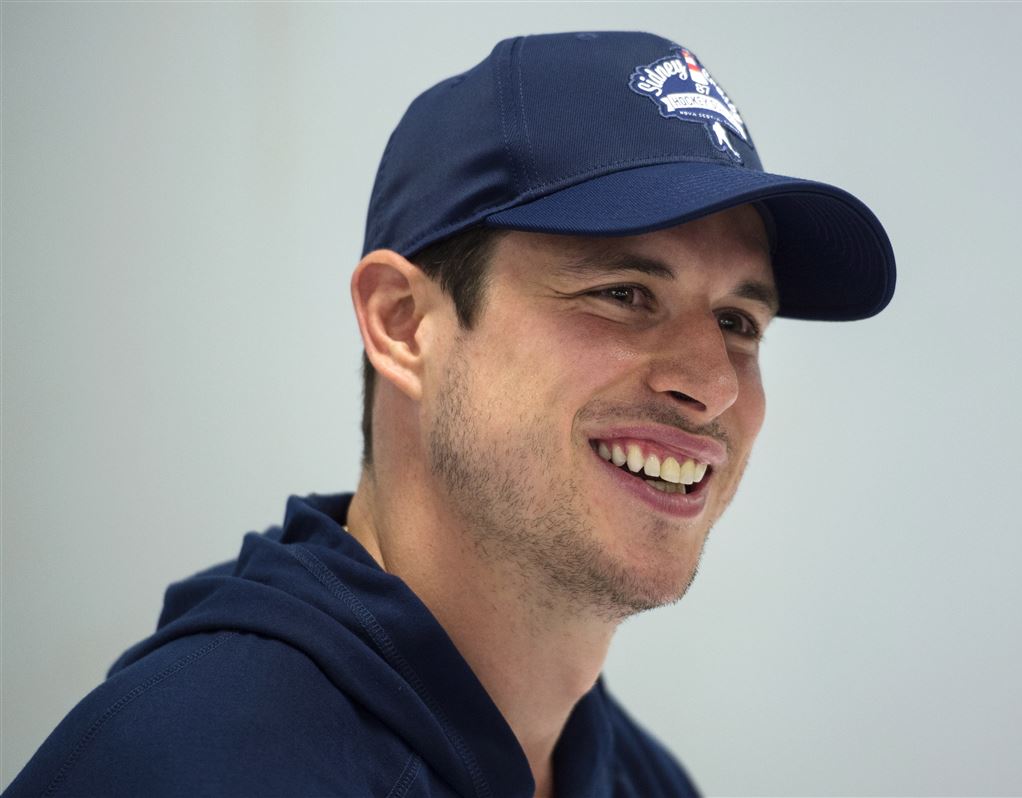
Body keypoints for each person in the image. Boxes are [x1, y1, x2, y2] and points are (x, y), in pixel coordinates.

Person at [5, 31, 894, 798]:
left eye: (738, 323)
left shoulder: (640, 779)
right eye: (624, 293)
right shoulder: (189, 764)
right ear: (404, 323)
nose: (714, 385)